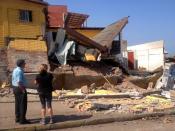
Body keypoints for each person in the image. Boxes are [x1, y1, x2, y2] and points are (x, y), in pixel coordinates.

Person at [12, 59, 30, 124]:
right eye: (24, 63)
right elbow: (19, 81)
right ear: (22, 64)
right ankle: (22, 120)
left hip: (15, 88)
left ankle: (17, 118)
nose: (25, 64)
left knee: (17, 103)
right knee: (23, 104)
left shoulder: (15, 69)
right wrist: (23, 90)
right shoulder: (19, 71)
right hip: (20, 88)